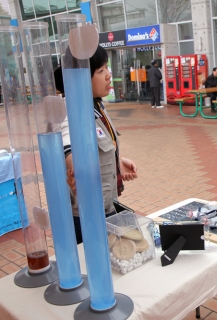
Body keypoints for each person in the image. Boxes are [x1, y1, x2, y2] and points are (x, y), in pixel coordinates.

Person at [56, 45, 138, 244]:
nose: (109, 75)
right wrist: (75, 169)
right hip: (88, 216)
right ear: (81, 79)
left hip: (107, 206)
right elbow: (68, 149)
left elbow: (97, 146)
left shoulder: (96, 105)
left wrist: (117, 162)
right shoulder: (70, 111)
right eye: (101, 71)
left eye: (107, 68)